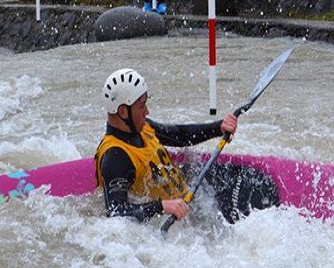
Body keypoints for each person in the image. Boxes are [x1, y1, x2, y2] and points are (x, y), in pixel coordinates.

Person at [95, 68, 278, 223]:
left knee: (251, 180)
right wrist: (161, 206)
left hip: (190, 193)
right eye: (141, 106)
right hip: (176, 214)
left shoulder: (141, 127)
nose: (147, 111)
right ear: (122, 111)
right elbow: (116, 214)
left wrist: (218, 127)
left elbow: (180, 135)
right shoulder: (115, 157)